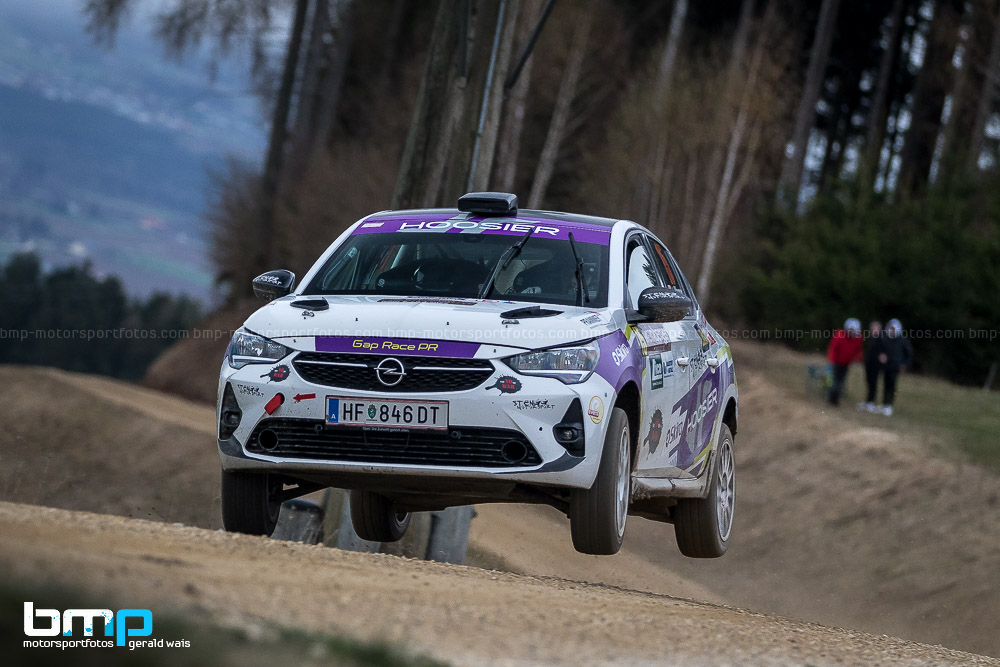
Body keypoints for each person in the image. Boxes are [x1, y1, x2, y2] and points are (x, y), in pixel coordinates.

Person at [877, 318, 913, 416]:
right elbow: (880, 349)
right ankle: (884, 404)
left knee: (892, 386)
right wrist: (881, 355)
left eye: (894, 329)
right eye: (891, 328)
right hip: (886, 366)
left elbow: (908, 354)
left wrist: (905, 364)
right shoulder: (886, 338)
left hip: (895, 366)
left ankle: (889, 405)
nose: (892, 330)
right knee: (885, 384)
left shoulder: (903, 340)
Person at [826, 318, 864, 406]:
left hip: (846, 363)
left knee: (841, 381)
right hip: (836, 362)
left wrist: (857, 358)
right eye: (850, 330)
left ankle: (836, 398)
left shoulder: (858, 338)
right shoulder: (840, 334)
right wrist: (832, 361)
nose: (852, 332)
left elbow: (859, 350)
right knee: (834, 381)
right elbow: (833, 348)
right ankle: (831, 398)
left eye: (853, 331)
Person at [860, 321, 884, 412]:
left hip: (876, 365)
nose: (874, 329)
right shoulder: (871, 338)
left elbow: (883, 353)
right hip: (869, 364)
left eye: (876, 328)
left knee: (873, 384)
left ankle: (871, 402)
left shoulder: (881, 339)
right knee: (869, 382)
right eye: (873, 327)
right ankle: (868, 401)